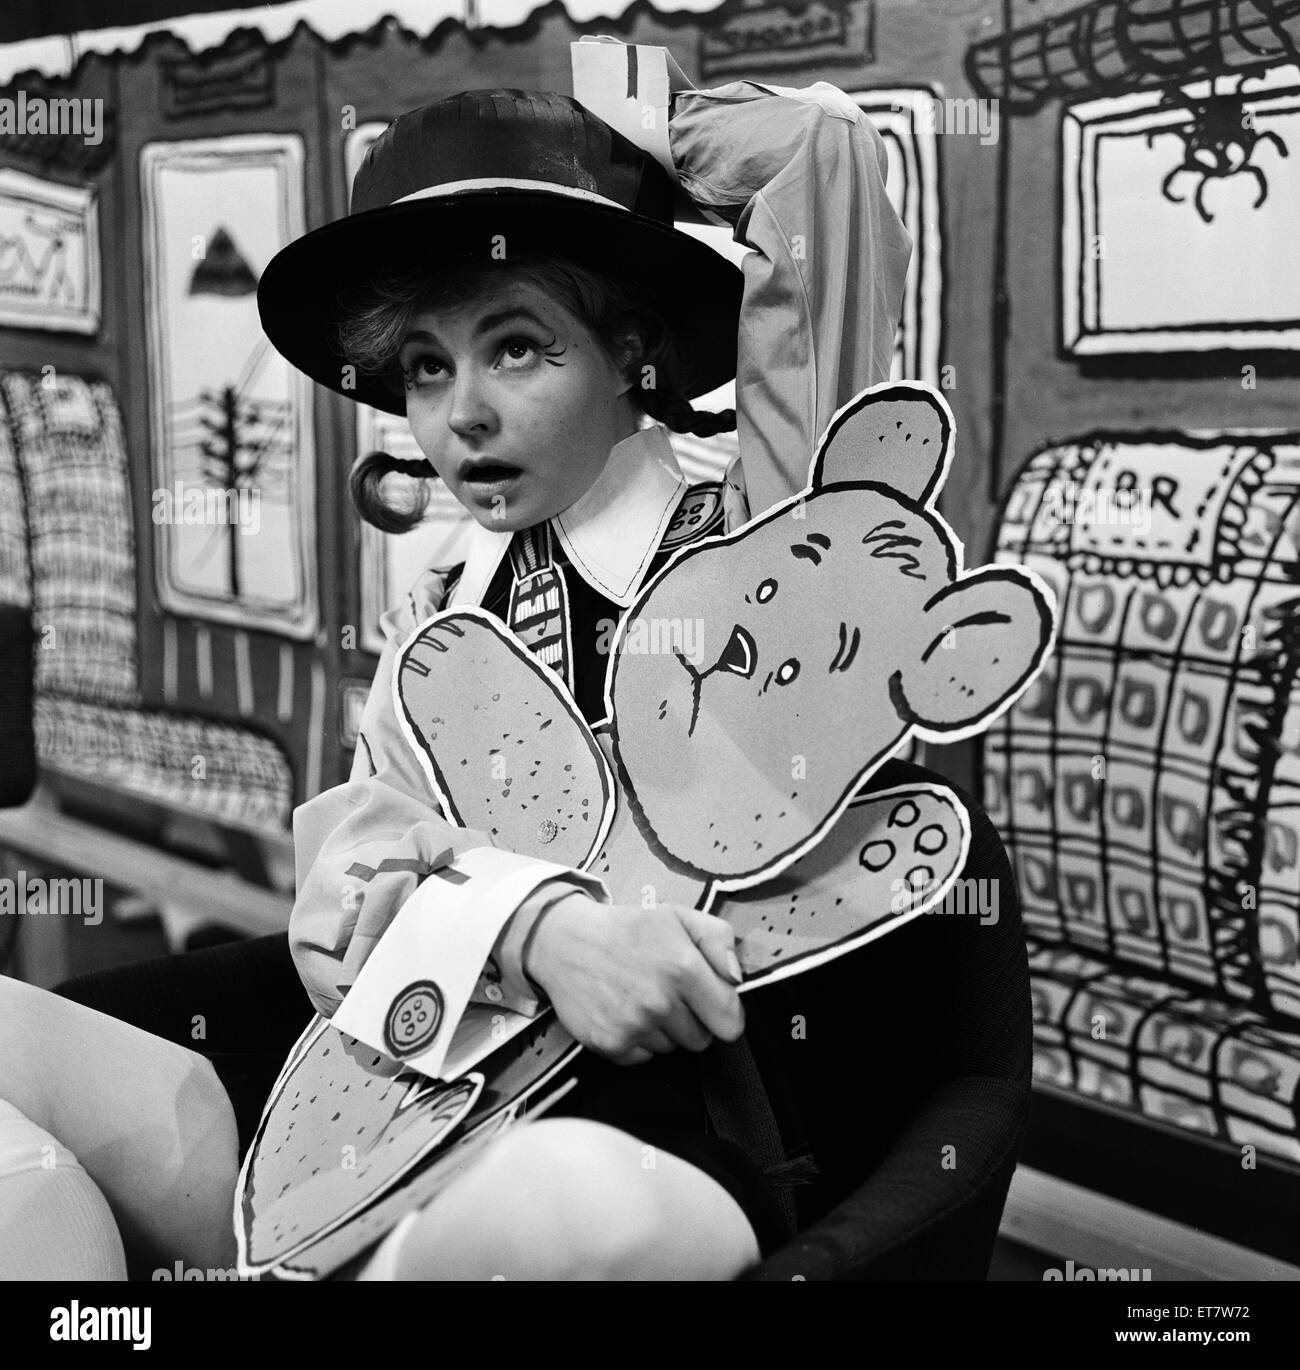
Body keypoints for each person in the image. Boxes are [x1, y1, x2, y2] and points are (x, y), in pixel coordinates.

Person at [0, 70, 914, 1280]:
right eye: (427, 367)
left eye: (516, 346)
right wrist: (535, 927)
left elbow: (818, 166)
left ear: (630, 348)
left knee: (558, 1205)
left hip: (662, 1121)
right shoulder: (442, 611)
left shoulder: (766, 543)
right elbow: (345, 884)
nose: (461, 416)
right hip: (403, 1093)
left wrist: (628, 124)